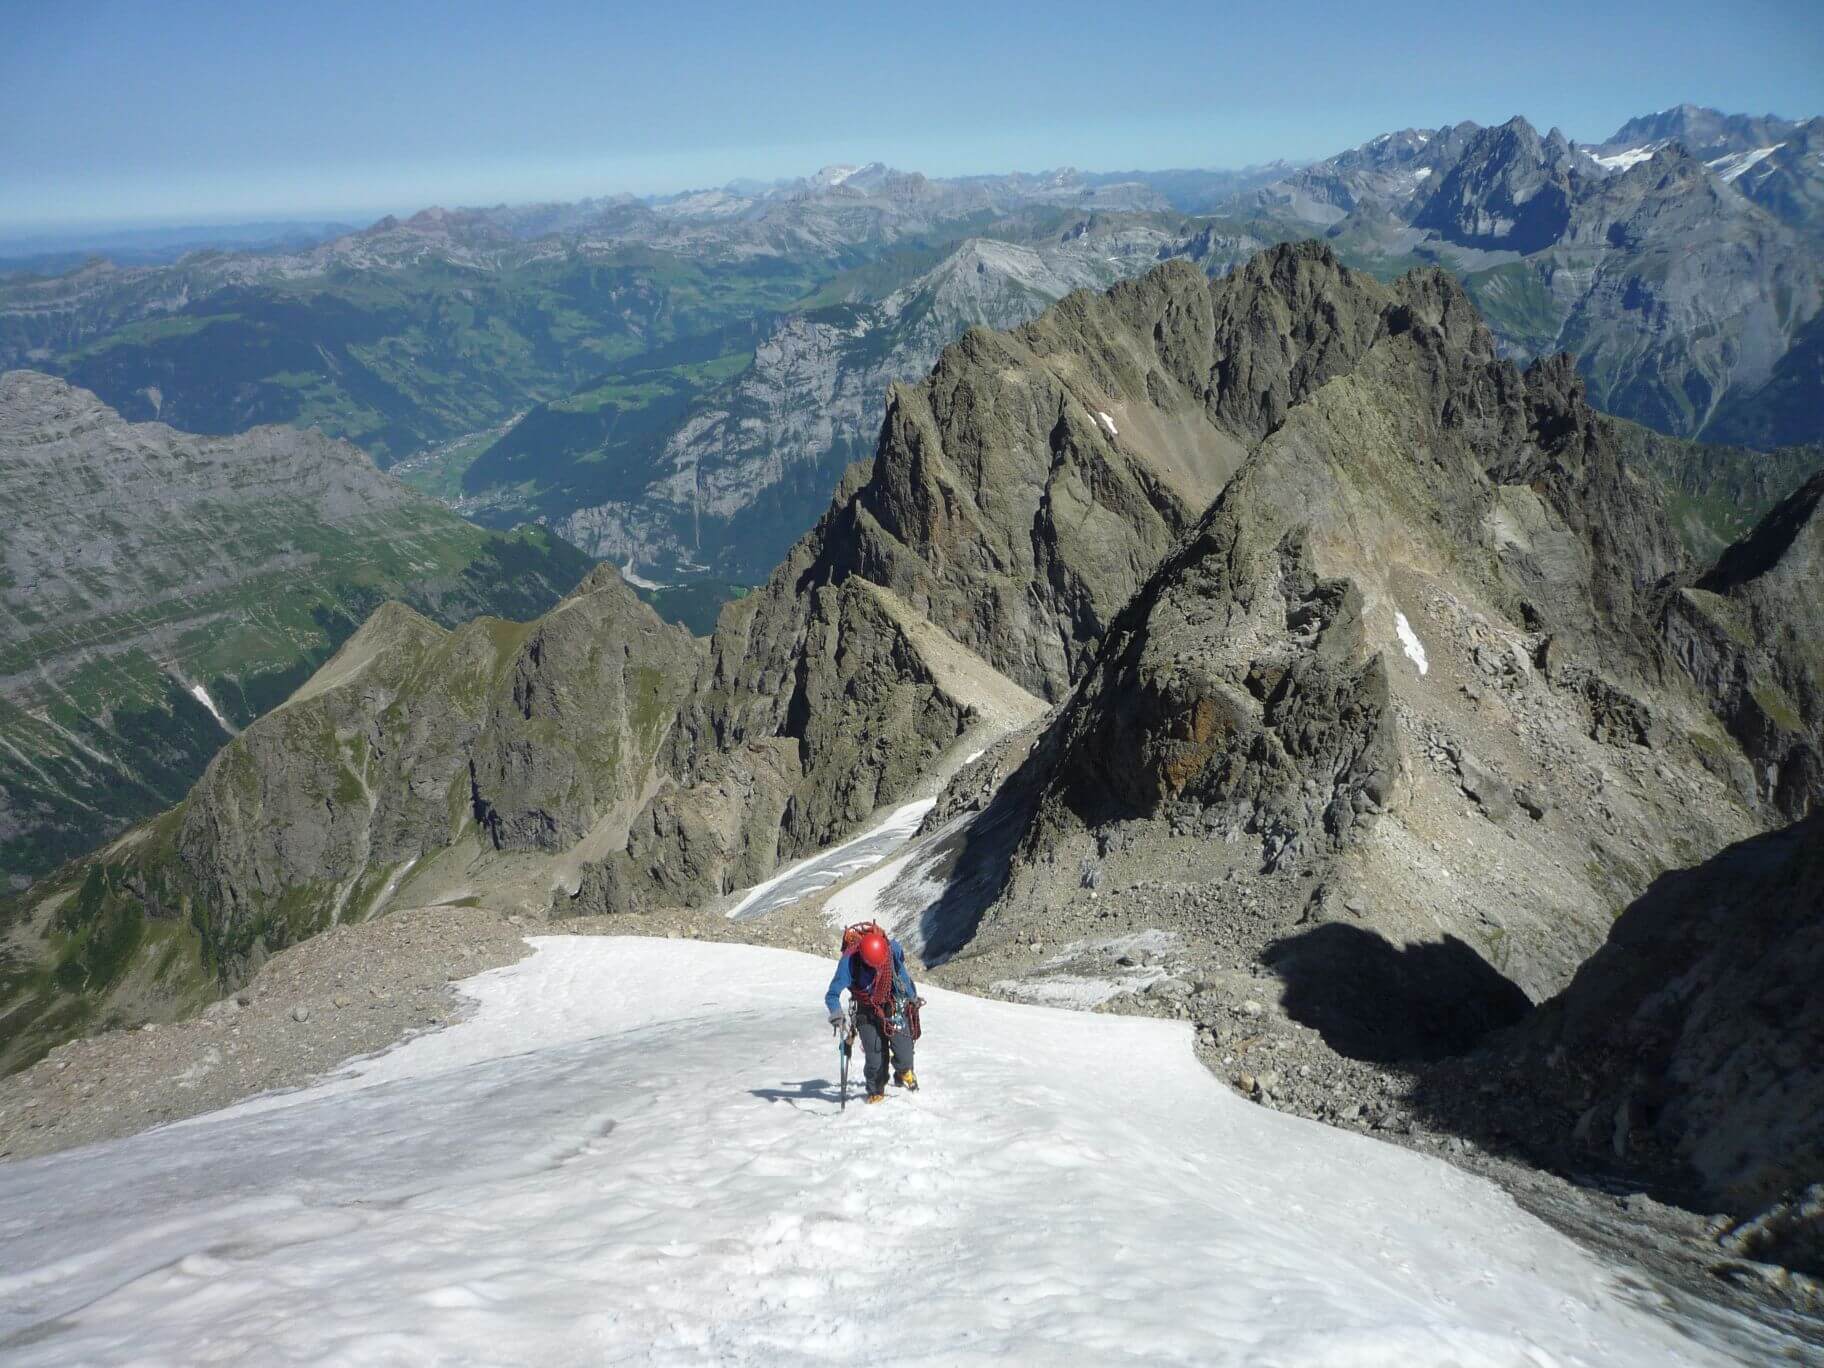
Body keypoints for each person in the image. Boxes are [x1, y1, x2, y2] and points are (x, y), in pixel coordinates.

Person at [824, 922, 919, 1104]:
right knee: (875, 1056)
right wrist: (837, 1015)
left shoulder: (891, 950)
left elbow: (901, 972)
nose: (877, 970)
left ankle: (904, 1070)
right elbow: (832, 995)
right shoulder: (849, 962)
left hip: (892, 1003)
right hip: (865, 1009)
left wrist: (911, 996)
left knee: (904, 1050)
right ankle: (876, 1088)